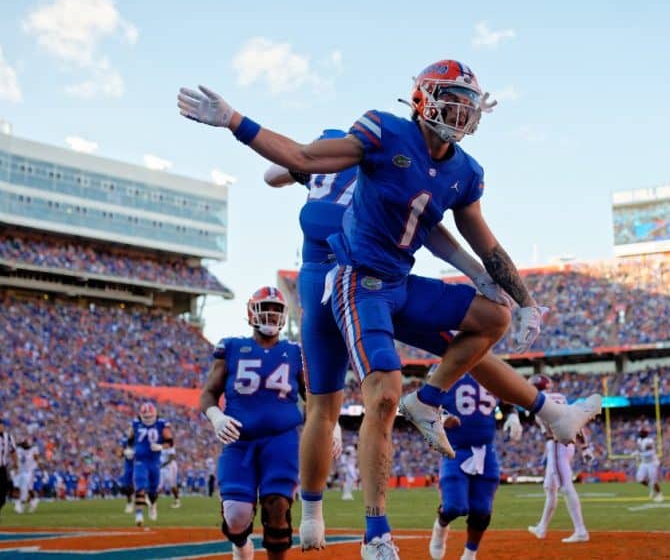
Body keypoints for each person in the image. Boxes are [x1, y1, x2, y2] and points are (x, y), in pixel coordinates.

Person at [179, 61, 601, 557]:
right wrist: (235, 121)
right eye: (453, 99)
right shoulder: (376, 135)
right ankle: (354, 525)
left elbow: (459, 234)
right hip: (347, 276)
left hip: (397, 280)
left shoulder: (460, 171)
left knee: (492, 321)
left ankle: (463, 403)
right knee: (363, 395)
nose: (462, 112)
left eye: (468, 103)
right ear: (423, 99)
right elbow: (295, 159)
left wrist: (519, 296)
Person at [199, 286, 306, 560]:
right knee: (236, 515)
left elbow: (316, 397)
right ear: (251, 313)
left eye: (276, 310)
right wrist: (216, 416)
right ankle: (241, 545)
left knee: (278, 508)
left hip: (281, 439)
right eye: (265, 309)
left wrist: (333, 426)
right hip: (239, 440)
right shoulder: (232, 347)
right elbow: (209, 393)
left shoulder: (296, 352)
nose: (270, 315)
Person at [428, 370, 504, 560]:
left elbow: (508, 395)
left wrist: (512, 415)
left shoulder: (489, 370)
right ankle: (440, 526)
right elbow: (424, 409)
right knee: (454, 507)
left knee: (482, 511)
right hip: (456, 450)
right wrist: (442, 419)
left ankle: (470, 554)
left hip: (487, 452)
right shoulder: (446, 368)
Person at [525, 376, 590, 543]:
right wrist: (585, 446)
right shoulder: (560, 397)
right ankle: (542, 527)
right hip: (565, 445)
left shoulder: (539, 400)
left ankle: (581, 530)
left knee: (565, 487)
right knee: (550, 487)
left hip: (557, 444)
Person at [128, 402, 173, 527]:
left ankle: (153, 505)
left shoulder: (161, 424)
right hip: (140, 460)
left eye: (150, 416)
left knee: (153, 490)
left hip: (154, 461)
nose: (148, 419)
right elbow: (130, 440)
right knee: (140, 486)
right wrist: (129, 449)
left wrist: (160, 446)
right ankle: (139, 515)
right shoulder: (135, 424)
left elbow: (170, 442)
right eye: (145, 417)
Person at [634, 427, 663, 502]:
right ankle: (652, 488)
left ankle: (660, 494)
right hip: (644, 462)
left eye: (641, 432)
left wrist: (639, 453)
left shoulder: (649, 441)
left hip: (651, 462)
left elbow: (649, 452)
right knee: (639, 478)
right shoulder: (639, 440)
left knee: (653, 480)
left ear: (645, 433)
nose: (640, 433)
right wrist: (638, 454)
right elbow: (639, 450)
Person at [14, 436, 40, 513]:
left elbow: (37, 459)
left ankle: (22, 504)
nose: (27, 445)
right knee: (19, 487)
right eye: (25, 443)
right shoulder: (18, 449)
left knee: (26, 488)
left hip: (29, 471)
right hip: (20, 470)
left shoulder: (34, 449)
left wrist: (36, 464)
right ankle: (32, 501)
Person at [159, 444, 182, 508]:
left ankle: (177, 501)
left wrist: (162, 465)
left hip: (170, 467)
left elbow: (172, 458)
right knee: (159, 485)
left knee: (172, 485)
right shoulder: (159, 444)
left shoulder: (170, 445)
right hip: (162, 467)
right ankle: (151, 502)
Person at [119, 437, 135, 513]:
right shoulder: (125, 440)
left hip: (139, 464)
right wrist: (124, 452)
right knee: (127, 486)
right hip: (128, 465)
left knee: (140, 484)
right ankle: (129, 503)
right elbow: (119, 454)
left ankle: (145, 499)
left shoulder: (140, 438)